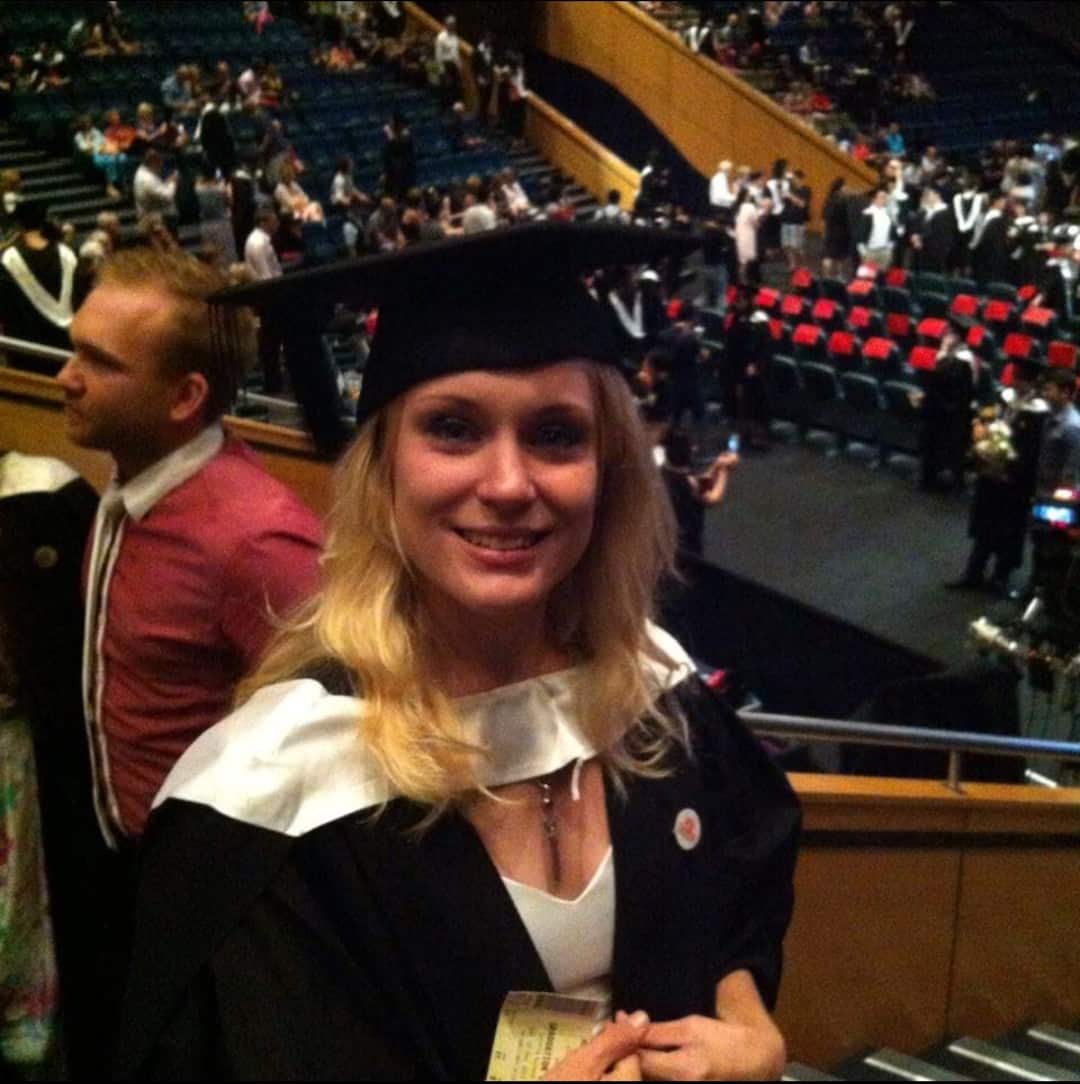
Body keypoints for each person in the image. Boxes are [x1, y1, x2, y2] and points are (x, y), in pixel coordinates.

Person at [114, 224, 800, 1080]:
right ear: (383, 469)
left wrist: (749, 1024)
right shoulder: (273, 795)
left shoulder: (651, 693)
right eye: (452, 429)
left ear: (608, 469)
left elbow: (744, 879)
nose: (509, 485)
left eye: (556, 436)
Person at [55, 248, 323, 1069]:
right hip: (114, 864)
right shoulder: (129, 471)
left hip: (201, 902)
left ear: (186, 397)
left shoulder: (257, 541)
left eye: (99, 362)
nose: (66, 376)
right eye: (76, 347)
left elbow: (331, 754)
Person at [0, 198, 83, 360]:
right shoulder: (68, 254)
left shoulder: (9, 259)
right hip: (67, 344)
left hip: (27, 349)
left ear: (18, 225)